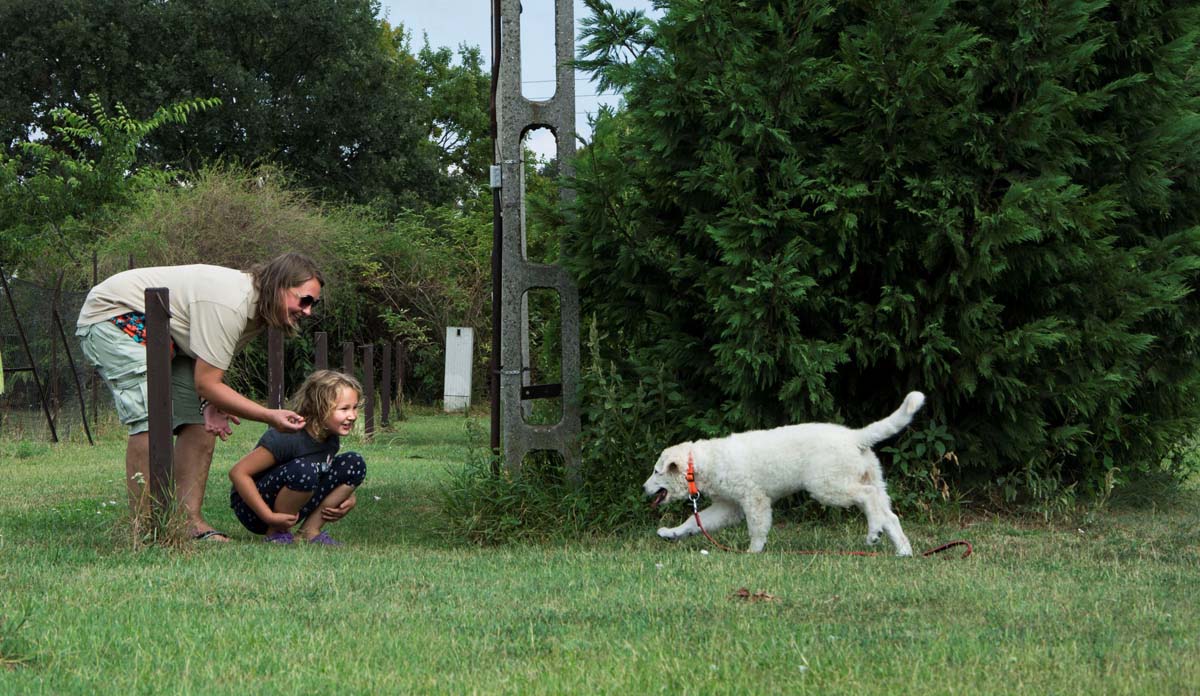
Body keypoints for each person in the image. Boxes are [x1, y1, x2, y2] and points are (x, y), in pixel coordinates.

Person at [76, 252, 324, 541]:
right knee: (152, 419)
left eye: (313, 304)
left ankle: (187, 522)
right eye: (304, 300)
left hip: (168, 333)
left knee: (200, 423)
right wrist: (268, 415)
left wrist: (210, 403)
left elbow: (205, 369)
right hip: (114, 315)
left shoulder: (258, 314)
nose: (307, 311)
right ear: (280, 285)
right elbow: (208, 383)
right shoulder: (231, 303)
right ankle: (146, 529)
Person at [228, 370, 366, 545]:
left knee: (355, 463)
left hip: (295, 492)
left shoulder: (330, 438)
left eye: (354, 408)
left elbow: (322, 471)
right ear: (319, 408)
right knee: (304, 469)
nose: (352, 416)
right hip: (252, 509)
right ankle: (276, 533)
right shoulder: (288, 437)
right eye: (344, 409)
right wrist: (268, 516)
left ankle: (310, 532)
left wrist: (348, 499)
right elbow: (238, 473)